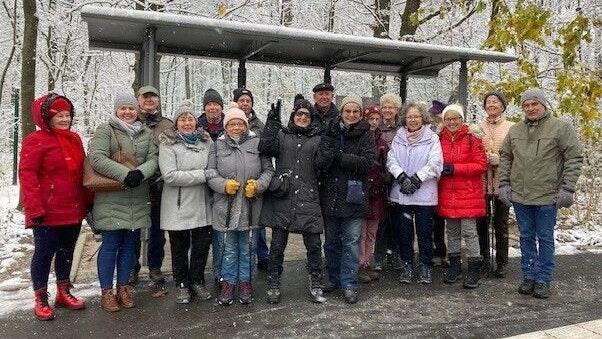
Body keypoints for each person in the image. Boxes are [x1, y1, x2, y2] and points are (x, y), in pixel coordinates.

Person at [499, 88, 582, 299]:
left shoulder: (560, 128)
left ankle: (543, 278)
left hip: (547, 195)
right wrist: (504, 184)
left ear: (544, 104)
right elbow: (506, 157)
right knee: (526, 237)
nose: (530, 108)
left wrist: (568, 187)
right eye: (526, 105)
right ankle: (529, 276)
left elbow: (574, 158)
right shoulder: (515, 130)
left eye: (534, 104)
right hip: (520, 196)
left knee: (545, 238)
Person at [19, 93, 90, 321]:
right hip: (47, 211)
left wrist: (88, 202)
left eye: (67, 115)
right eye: (59, 115)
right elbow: (27, 175)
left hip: (73, 208)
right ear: (46, 118)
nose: (64, 119)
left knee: (67, 253)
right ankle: (40, 297)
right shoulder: (35, 140)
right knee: (43, 254)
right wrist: (34, 208)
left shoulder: (74, 139)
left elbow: (82, 172)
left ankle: (63, 291)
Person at [258, 98, 334, 304]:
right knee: (277, 245)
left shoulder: (317, 139)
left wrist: (327, 140)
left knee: (314, 245)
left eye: (306, 115)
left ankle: (316, 281)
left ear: (311, 119)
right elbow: (265, 147)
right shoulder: (282, 135)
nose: (302, 117)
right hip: (284, 197)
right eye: (299, 114)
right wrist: (272, 124)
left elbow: (323, 163)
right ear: (293, 116)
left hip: (308, 198)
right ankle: (273, 282)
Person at [89, 91, 158, 312]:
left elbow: (154, 159)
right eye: (123, 108)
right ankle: (106, 291)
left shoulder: (145, 133)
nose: (128, 112)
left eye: (131, 108)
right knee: (110, 245)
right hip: (111, 196)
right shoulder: (105, 130)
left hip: (137, 196)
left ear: (137, 111)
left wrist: (140, 173)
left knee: (129, 245)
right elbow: (97, 158)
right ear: (116, 110)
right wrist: (124, 174)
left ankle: (124, 287)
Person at [207, 103, 274, 306]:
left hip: (250, 206)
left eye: (240, 124)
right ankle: (228, 282)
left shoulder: (257, 143)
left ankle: (245, 281)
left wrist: (259, 185)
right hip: (224, 206)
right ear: (226, 127)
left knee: (247, 248)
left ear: (246, 125)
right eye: (232, 124)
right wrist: (223, 185)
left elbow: (269, 170)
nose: (236, 127)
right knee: (227, 247)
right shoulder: (216, 145)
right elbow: (210, 173)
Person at [158, 101, 215, 304]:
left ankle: (197, 280)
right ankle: (182, 284)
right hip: (177, 205)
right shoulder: (167, 143)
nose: (187, 122)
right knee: (179, 248)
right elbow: (171, 176)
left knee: (201, 246)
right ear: (176, 123)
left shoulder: (206, 142)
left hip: (202, 203)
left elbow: (213, 170)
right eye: (182, 119)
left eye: (190, 118)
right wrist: (202, 175)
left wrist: (207, 175)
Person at [321, 96, 375, 304]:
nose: (351, 115)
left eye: (356, 112)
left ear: (361, 114)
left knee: (352, 243)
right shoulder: (332, 131)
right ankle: (334, 278)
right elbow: (323, 160)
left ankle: (349, 283)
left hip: (354, 198)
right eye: (347, 111)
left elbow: (366, 162)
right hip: (331, 195)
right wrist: (334, 156)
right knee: (332, 243)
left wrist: (340, 157)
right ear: (341, 113)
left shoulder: (366, 135)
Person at [387, 102, 442, 284]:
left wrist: (417, 179)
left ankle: (425, 264)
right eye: (409, 116)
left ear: (423, 118)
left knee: (425, 232)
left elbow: (435, 163)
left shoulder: (432, 138)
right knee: (404, 232)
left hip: (424, 194)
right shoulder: (398, 137)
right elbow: (391, 160)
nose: (412, 120)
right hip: (402, 193)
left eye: (416, 116)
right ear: (405, 118)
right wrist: (402, 177)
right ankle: (407, 264)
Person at [437, 104, 487, 289]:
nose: (452, 122)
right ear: (443, 121)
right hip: (448, 192)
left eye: (455, 118)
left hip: (468, 193)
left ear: (461, 119)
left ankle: (474, 267)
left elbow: (481, 164)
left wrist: (455, 169)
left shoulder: (472, 138)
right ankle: (455, 265)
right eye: (448, 119)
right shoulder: (438, 138)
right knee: (451, 231)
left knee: (469, 231)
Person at [129, 85, 173, 290]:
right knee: (133, 230)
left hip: (159, 186)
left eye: (152, 97)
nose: (149, 101)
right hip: (135, 185)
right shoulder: (129, 122)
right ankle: (131, 267)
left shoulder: (167, 125)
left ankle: (155, 266)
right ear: (138, 100)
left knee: (157, 230)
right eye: (145, 97)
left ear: (158, 100)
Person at [475, 91, 514, 278]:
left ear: (503, 106)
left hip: (502, 181)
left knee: (500, 223)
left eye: (495, 102)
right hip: (481, 181)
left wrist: (500, 159)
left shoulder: (511, 127)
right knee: (481, 222)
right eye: (488, 102)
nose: (491, 105)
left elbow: (516, 153)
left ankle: (502, 261)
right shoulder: (477, 127)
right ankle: (483, 258)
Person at [232, 87, 270, 271]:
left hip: (254, 182)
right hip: (233, 181)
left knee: (257, 222)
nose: (245, 103)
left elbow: (266, 150)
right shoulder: (230, 120)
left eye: (248, 100)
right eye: (242, 100)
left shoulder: (259, 125)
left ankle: (262, 254)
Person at [359, 105, 388, 283]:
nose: (374, 122)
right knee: (360, 231)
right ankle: (360, 263)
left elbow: (387, 165)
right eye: (371, 119)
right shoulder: (361, 138)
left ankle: (368, 261)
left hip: (377, 191)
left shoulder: (383, 142)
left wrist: (386, 175)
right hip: (362, 189)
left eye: (377, 119)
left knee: (372, 231)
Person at [373, 93, 403, 271]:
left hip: (398, 178)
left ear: (397, 109)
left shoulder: (403, 128)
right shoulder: (377, 127)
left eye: (391, 107)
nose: (387, 110)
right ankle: (380, 255)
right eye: (384, 107)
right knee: (381, 219)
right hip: (381, 178)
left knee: (398, 218)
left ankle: (396, 253)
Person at [428, 99, 448, 266]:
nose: (435, 117)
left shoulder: (448, 132)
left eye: (438, 114)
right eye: (433, 114)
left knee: (448, 219)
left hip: (449, 178)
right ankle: (438, 250)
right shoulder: (431, 132)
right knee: (436, 218)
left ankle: (447, 252)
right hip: (435, 179)